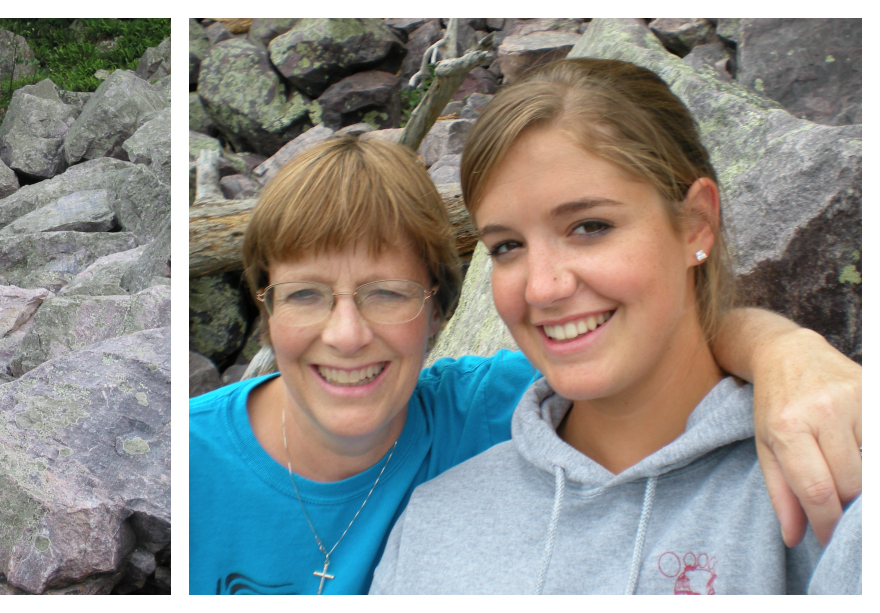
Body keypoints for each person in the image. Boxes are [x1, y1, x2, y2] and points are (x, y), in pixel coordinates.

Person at [188, 136, 861, 594]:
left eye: (386, 293)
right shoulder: (187, 463)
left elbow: (659, 347)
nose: (346, 333)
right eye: (306, 295)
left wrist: (787, 353)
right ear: (264, 307)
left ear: (439, 313)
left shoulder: (501, 409)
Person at [369, 58, 860, 594]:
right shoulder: (433, 524)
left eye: (589, 227)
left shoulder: (830, 477)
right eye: (507, 246)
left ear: (696, 222)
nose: (542, 288)